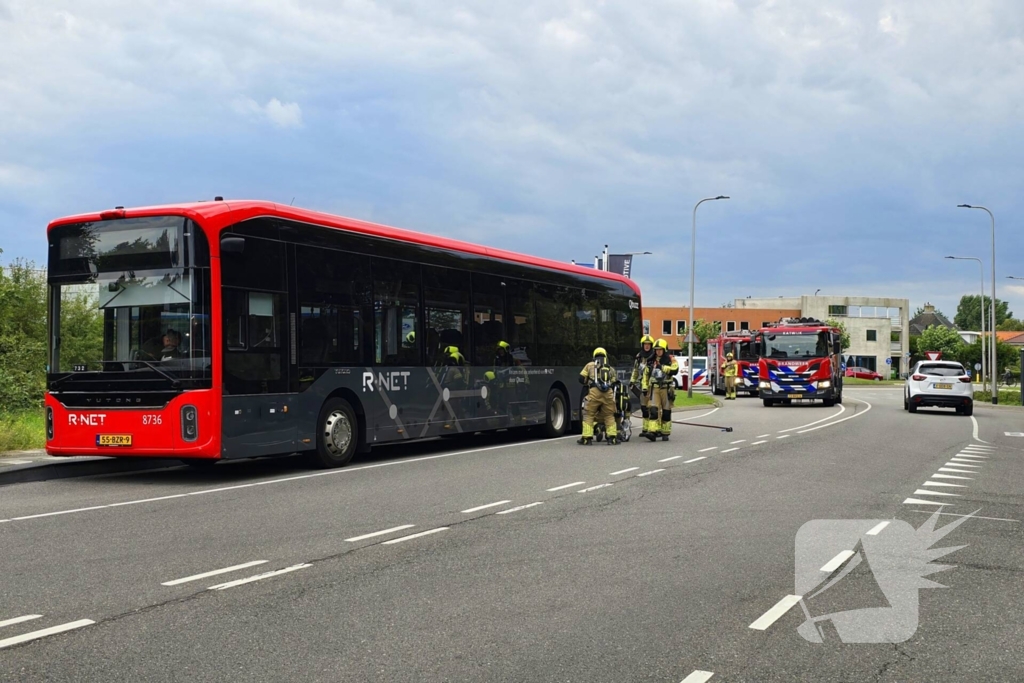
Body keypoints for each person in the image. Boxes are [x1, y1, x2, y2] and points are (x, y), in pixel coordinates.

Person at [578, 347, 619, 445]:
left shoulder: (590, 365)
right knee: (609, 415)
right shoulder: (610, 368)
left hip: (594, 392)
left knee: (589, 414)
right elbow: (615, 382)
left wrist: (588, 382)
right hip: (608, 393)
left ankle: (586, 438)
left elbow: (581, 378)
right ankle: (612, 438)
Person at [642, 338, 678, 441]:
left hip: (666, 388)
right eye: (656, 349)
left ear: (665, 349)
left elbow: (675, 370)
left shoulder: (671, 359)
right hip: (654, 388)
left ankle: (665, 432)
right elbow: (645, 375)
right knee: (653, 410)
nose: (658, 351)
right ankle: (653, 431)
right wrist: (645, 387)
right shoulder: (650, 360)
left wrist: (662, 367)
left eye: (660, 349)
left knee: (666, 412)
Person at [630, 334, 656, 438]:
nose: (646, 346)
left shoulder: (655, 356)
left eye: (648, 344)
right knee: (644, 408)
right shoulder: (639, 356)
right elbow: (636, 370)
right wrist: (632, 381)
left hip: (653, 385)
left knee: (652, 408)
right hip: (642, 385)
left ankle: (653, 429)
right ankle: (645, 429)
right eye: (645, 344)